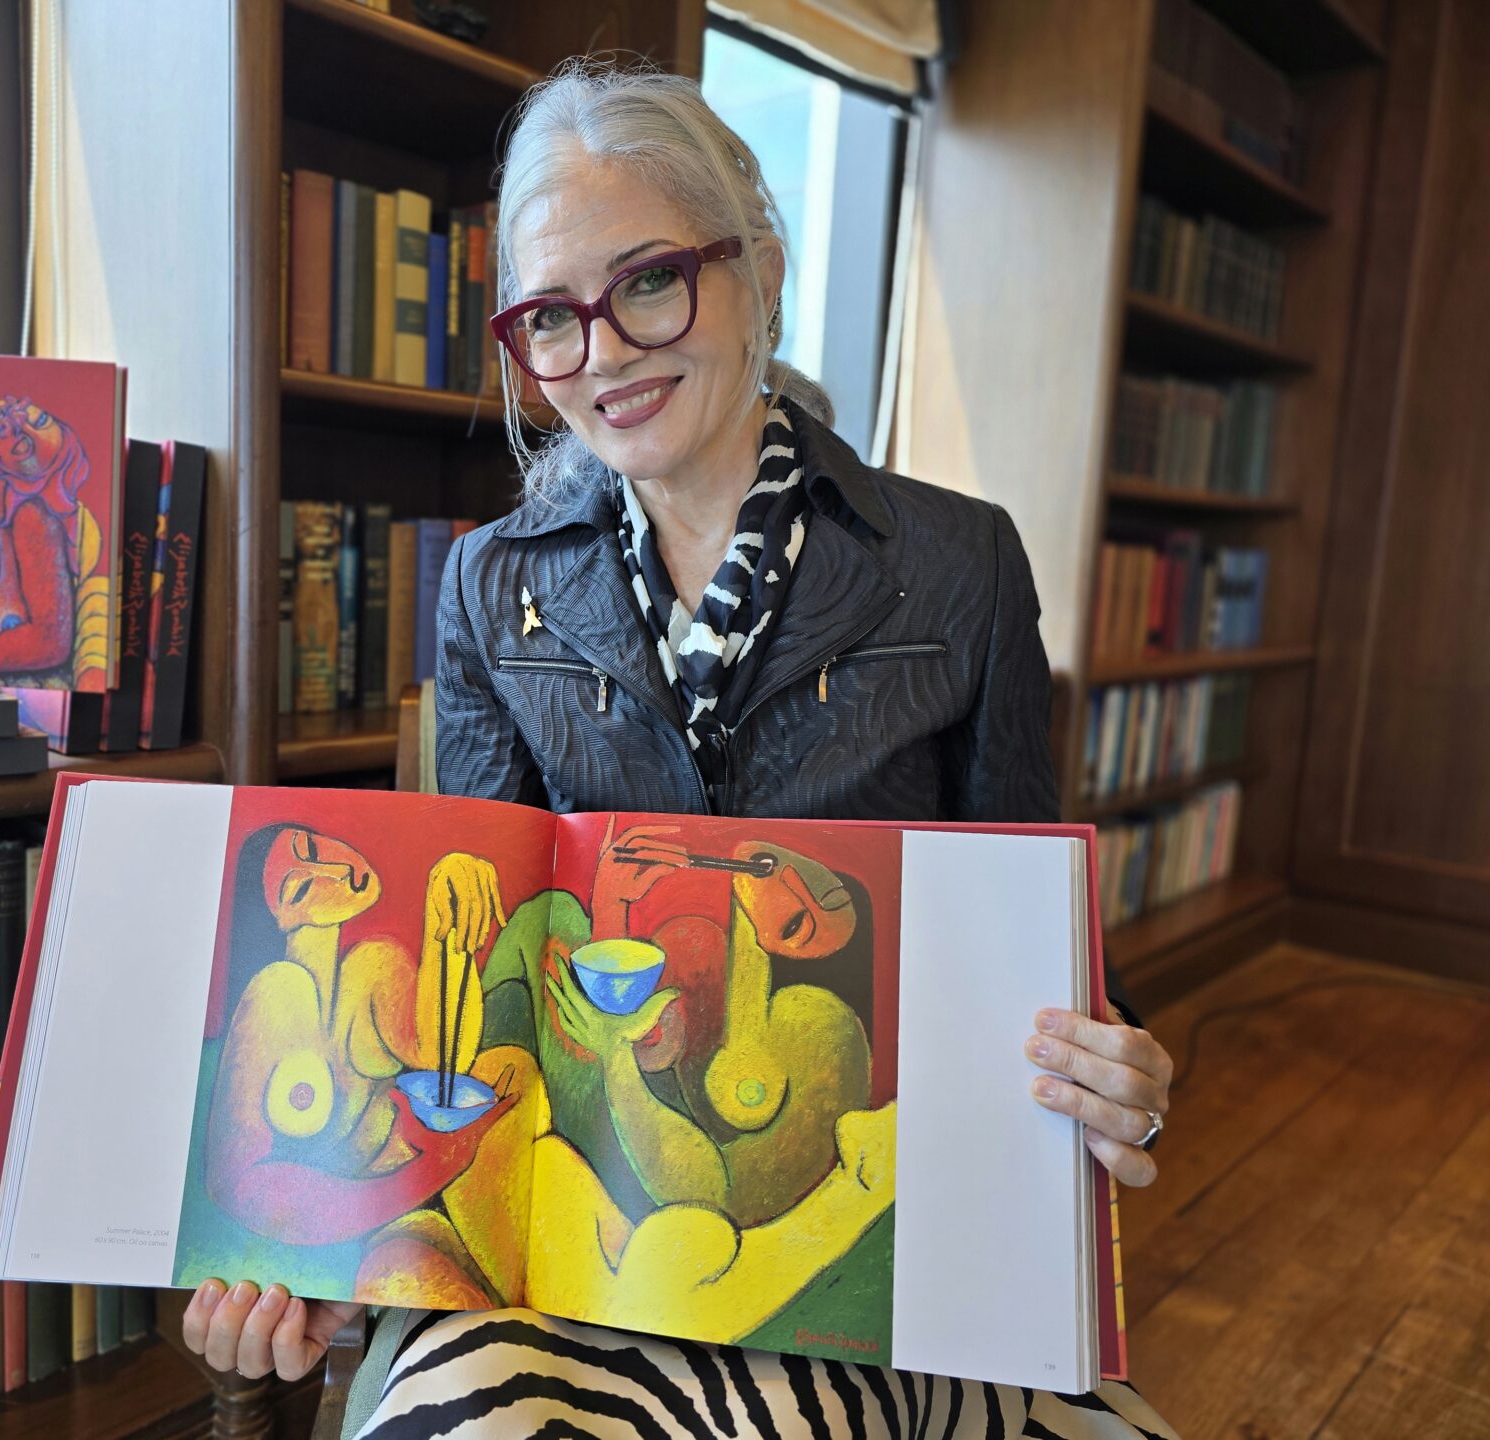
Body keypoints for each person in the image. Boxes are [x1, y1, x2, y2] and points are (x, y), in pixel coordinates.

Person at [183, 59, 1180, 1439]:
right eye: (551, 316)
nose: (603, 353)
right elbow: (487, 980)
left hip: (850, 1201)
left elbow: (1036, 948)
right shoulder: (488, 584)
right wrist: (326, 1262)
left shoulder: (964, 566)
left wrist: (1115, 1074)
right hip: (570, 1222)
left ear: (758, 266)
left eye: (649, 281)